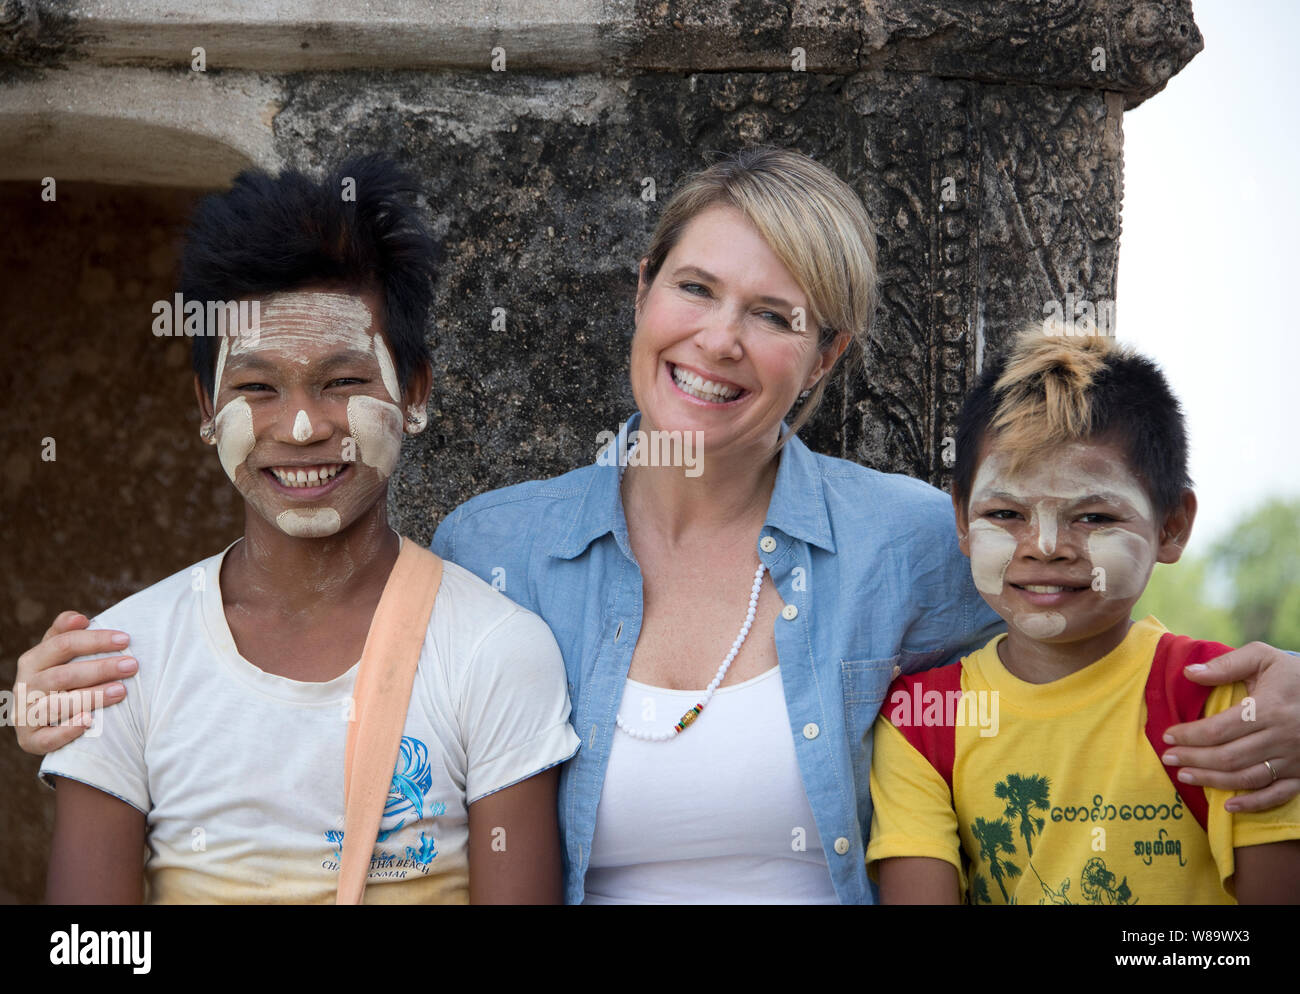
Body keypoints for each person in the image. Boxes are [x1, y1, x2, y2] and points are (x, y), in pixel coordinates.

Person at [16, 147, 1300, 904]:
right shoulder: (497, 553)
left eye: (775, 314)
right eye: (694, 286)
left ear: (826, 354)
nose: (720, 338)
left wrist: (1280, 702)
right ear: (642, 293)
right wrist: (46, 694)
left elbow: (1090, 655)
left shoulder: (912, 541)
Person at [35, 156, 579, 904]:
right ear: (205, 408)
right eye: (256, 388)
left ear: (413, 392)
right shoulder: (124, 661)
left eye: (343, 381)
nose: (300, 426)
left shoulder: (493, 650)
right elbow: (86, 950)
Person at [867, 329, 1300, 904]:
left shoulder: (1227, 703)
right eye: (1006, 513)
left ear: (1171, 527)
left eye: (1093, 517)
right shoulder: (921, 721)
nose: (1045, 547)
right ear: (963, 522)